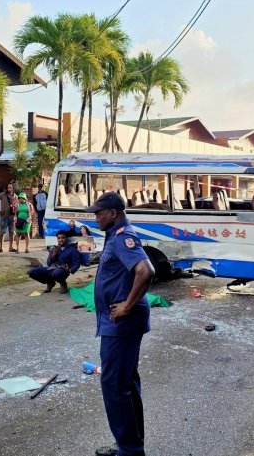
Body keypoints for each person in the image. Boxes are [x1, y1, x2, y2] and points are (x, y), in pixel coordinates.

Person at [87, 192, 155, 456]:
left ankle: (129, 450)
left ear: (113, 213)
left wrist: (126, 305)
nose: (96, 218)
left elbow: (146, 271)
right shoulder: (115, 235)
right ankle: (131, 445)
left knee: (115, 385)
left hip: (122, 325)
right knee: (126, 383)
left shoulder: (122, 238)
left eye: (99, 213)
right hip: (118, 324)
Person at [0, 183, 18, 253]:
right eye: (8, 187)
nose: (9, 189)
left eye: (11, 187)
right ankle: (1, 248)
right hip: (4, 217)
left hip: (12, 217)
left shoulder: (16, 196)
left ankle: (11, 247)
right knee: (2, 232)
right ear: (6, 188)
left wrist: (15, 209)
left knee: (11, 232)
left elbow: (17, 206)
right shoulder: (2, 194)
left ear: (13, 188)